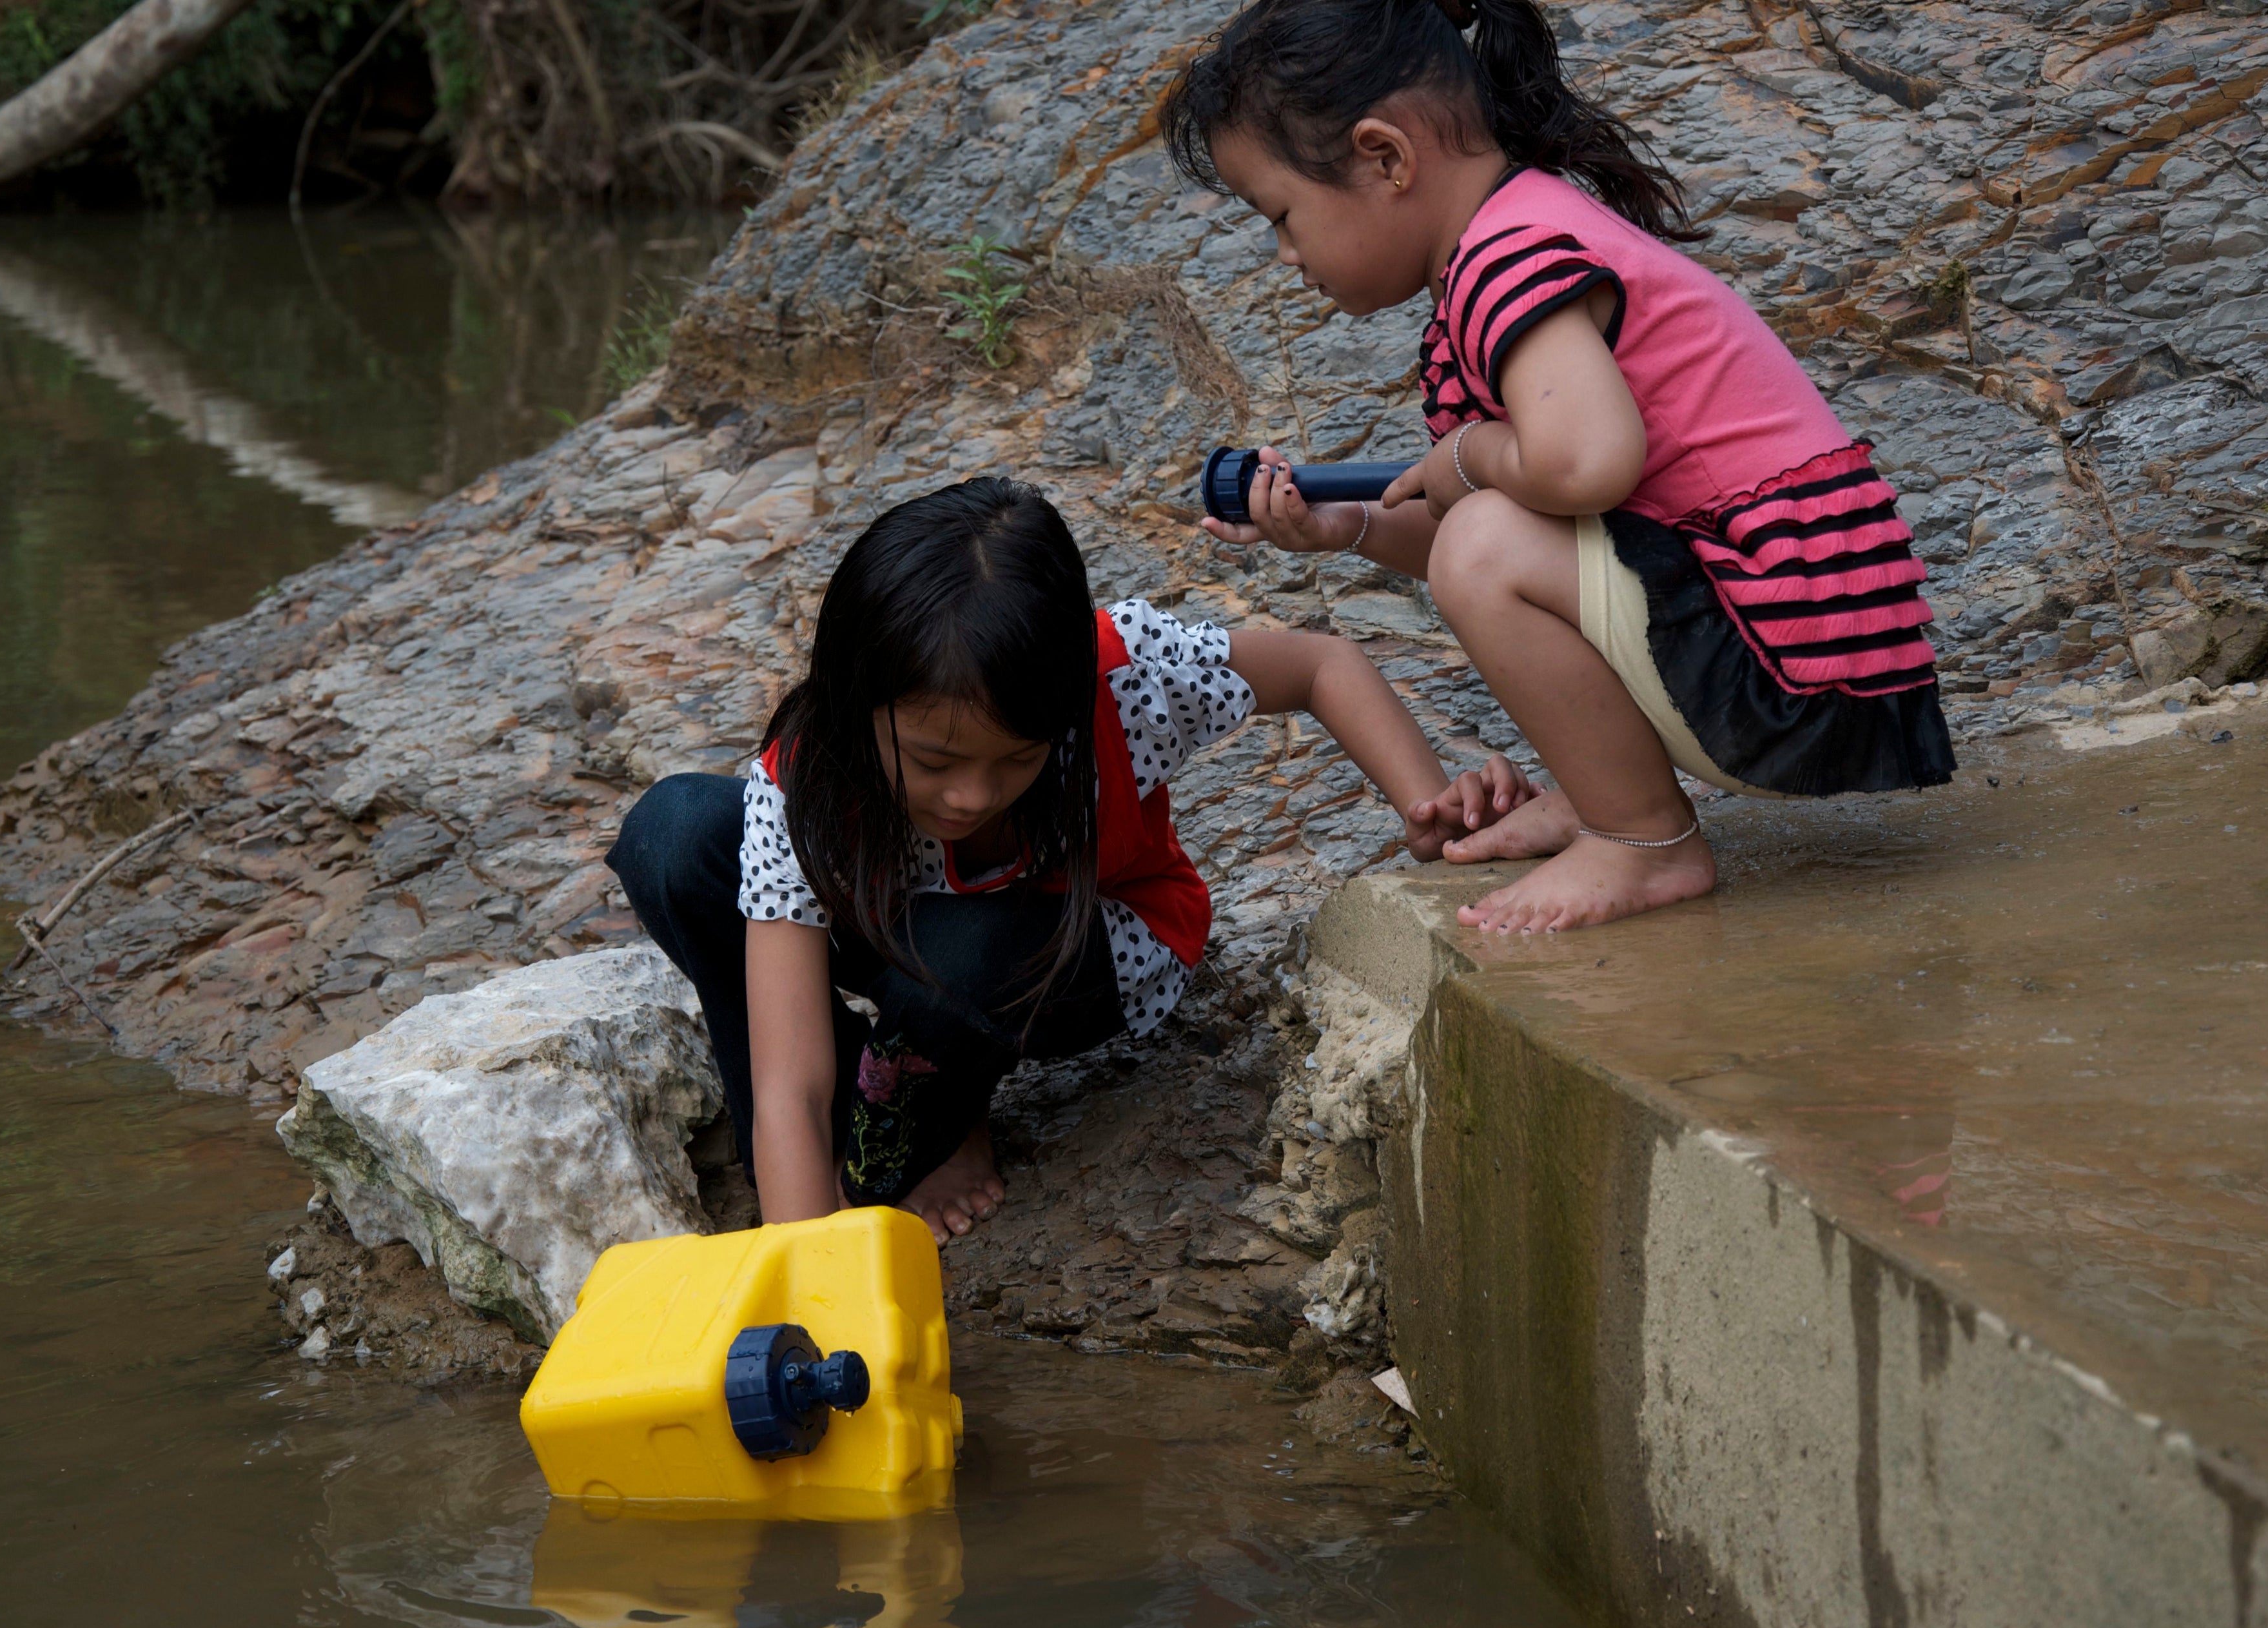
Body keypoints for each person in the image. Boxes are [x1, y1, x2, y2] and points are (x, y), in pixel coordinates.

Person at [1161, 0, 1955, 936]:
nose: (1287, 255)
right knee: (1487, 539)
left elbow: (1579, 471)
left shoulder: (1511, 257)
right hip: (1815, 644)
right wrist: (1353, 528)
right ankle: (1608, 792)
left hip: (1797, 659)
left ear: (1386, 157)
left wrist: (1470, 453)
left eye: (1282, 217)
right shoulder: (1511, 241)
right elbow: (1532, 532)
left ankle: (1644, 839)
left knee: (1486, 544)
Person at [607, 477, 1474, 1245]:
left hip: (1085, 948)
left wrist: (1427, 807)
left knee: (956, 967)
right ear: (854, 705)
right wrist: (804, 1270)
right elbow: (791, 1081)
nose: (971, 797)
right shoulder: (810, 777)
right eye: (936, 762)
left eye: (1017, 759)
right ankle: (906, 1094)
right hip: (910, 934)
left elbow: (1321, 664)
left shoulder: (1123, 675)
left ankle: (926, 1128)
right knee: (676, 835)